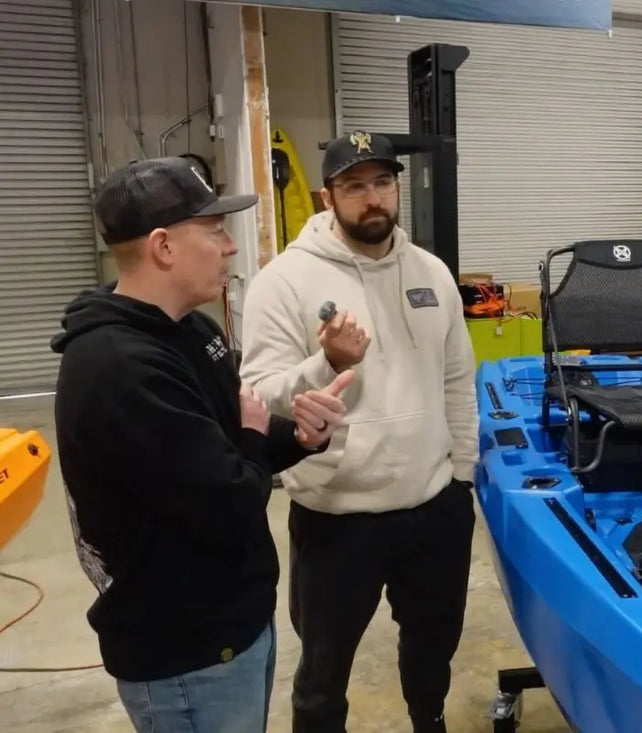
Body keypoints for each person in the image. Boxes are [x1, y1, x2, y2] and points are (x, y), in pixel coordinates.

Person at [49, 155, 354, 732]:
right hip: (185, 651)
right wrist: (253, 434)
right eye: (214, 232)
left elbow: (234, 436)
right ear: (163, 247)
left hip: (231, 624)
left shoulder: (193, 331)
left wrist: (301, 436)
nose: (230, 247)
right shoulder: (119, 367)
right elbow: (233, 495)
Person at [238, 130, 478, 733]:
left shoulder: (432, 273)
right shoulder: (283, 280)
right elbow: (259, 396)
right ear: (327, 198)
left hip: (432, 506)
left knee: (432, 649)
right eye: (353, 187)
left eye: (382, 183)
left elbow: (458, 380)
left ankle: (429, 719)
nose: (372, 199)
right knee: (323, 674)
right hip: (335, 514)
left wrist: (462, 478)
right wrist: (329, 364)